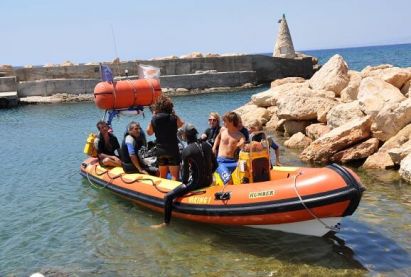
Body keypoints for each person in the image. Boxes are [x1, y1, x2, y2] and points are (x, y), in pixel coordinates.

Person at [152, 123, 217, 228]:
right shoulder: (207, 145)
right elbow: (216, 165)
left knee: (168, 197)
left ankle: (165, 223)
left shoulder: (187, 151)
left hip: (196, 184)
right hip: (208, 181)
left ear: (185, 136)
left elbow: (185, 179)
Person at [146, 95, 184, 180]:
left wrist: (153, 117)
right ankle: (174, 192)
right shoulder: (173, 117)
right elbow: (181, 124)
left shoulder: (155, 119)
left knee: (162, 176)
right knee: (175, 177)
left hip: (160, 151)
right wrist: (174, 114)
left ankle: (163, 192)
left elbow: (149, 132)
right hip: (172, 150)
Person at [212, 112, 245, 185]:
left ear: (231, 122)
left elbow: (242, 143)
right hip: (221, 162)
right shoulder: (223, 130)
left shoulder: (240, 135)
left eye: (225, 121)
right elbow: (218, 137)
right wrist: (214, 148)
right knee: (228, 180)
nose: (223, 123)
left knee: (246, 172)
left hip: (233, 162)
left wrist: (240, 144)